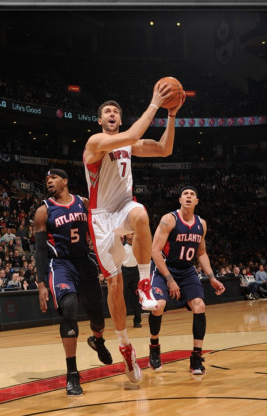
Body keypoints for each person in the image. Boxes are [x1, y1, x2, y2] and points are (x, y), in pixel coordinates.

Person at [83, 80, 185, 384]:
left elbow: (165, 149)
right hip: (101, 221)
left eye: (116, 110)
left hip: (124, 211)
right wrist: (155, 102)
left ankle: (143, 284)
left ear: (120, 117)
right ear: (101, 121)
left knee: (140, 211)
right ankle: (125, 346)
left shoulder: (128, 143)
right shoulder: (94, 143)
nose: (112, 113)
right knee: (114, 286)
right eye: (107, 112)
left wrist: (172, 115)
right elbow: (131, 134)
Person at [34, 168, 112, 397]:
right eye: (46, 179)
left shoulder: (84, 203)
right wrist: (41, 283)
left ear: (65, 181)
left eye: (54, 178)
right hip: (60, 264)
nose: (49, 181)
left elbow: (101, 230)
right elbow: (39, 249)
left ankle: (98, 340)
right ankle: (72, 375)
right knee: (68, 308)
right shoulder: (43, 210)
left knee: (97, 316)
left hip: (84, 262)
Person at [148, 186, 226, 374]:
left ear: (197, 201)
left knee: (199, 305)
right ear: (180, 200)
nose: (189, 196)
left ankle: (196, 358)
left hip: (186, 270)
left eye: (192, 195)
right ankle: (154, 346)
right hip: (164, 268)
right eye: (185, 194)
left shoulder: (202, 224)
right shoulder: (169, 219)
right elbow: (154, 251)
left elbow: (201, 253)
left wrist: (212, 277)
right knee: (158, 306)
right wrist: (169, 279)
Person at [122, 234, 142, 328]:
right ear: (126, 235)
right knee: (123, 299)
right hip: (124, 272)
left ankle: (137, 321)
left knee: (136, 298)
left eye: (133, 234)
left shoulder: (138, 246)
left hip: (135, 272)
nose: (131, 236)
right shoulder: (122, 246)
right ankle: (122, 321)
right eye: (130, 234)